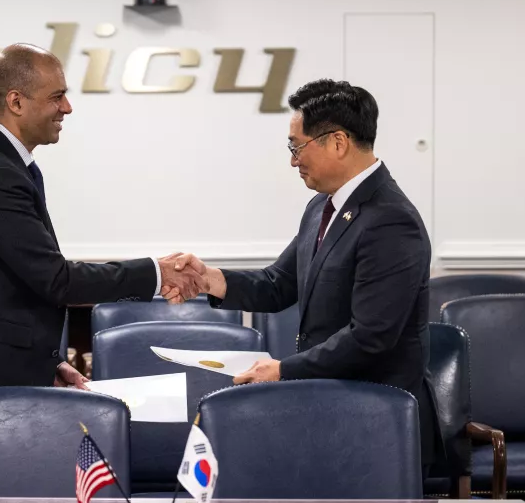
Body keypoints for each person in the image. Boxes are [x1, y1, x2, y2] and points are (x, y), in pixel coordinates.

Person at [164, 79, 437, 464]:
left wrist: (283, 370)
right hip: (331, 406)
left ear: (338, 142)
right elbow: (278, 284)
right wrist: (209, 278)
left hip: (378, 419)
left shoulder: (390, 220)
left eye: (297, 147)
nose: (293, 160)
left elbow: (371, 337)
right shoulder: (322, 208)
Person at [0, 43, 204, 396]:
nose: (67, 108)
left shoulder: (1, 164)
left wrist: (43, 362)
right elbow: (56, 280)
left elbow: (9, 288)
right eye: (57, 97)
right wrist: (157, 273)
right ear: (16, 102)